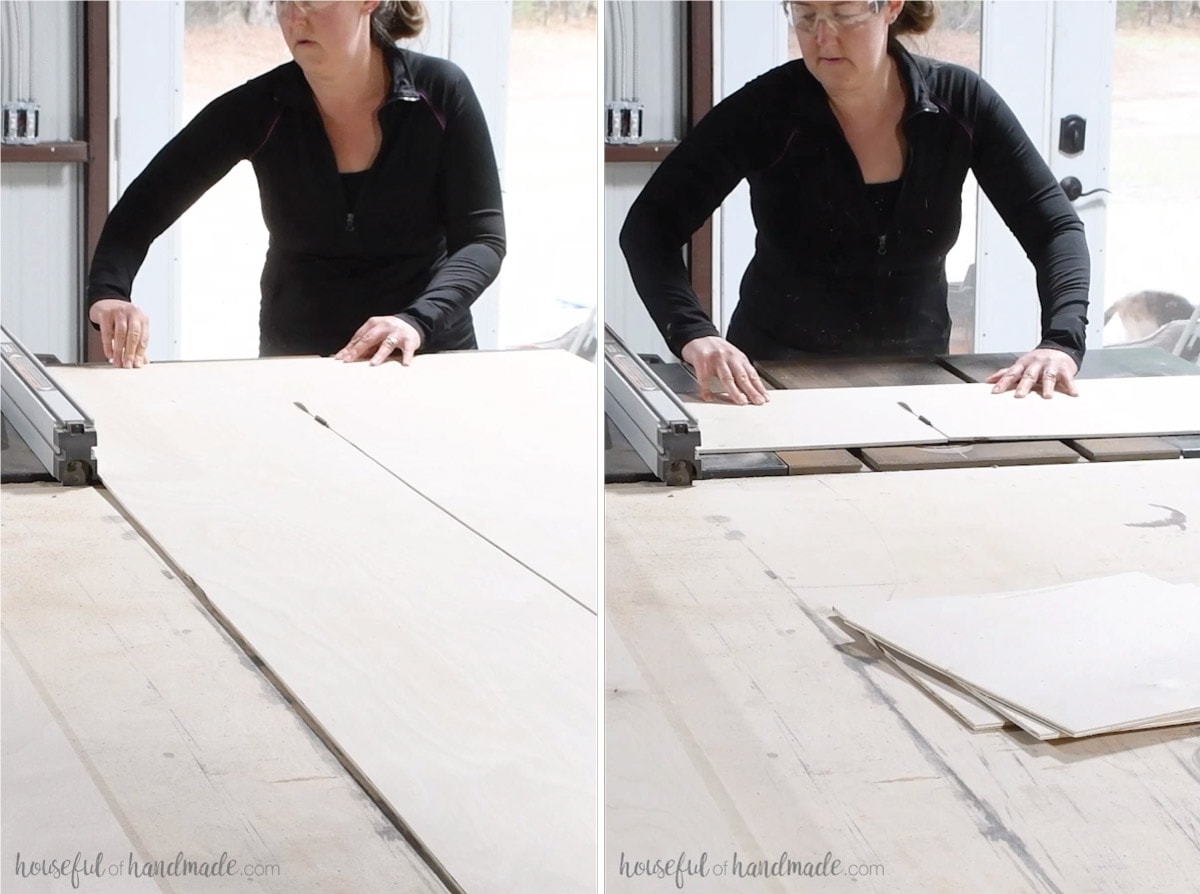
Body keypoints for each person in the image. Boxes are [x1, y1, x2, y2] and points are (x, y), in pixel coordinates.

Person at [620, 0, 1089, 405]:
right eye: (805, 17)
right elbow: (650, 226)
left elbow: (1053, 228)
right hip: (771, 384)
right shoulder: (766, 110)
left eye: (844, 14)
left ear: (891, 7)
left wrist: (1061, 342)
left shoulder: (960, 103)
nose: (823, 37)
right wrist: (693, 333)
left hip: (918, 379)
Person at [87, 0, 504, 369]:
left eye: (311, 0)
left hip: (425, 352)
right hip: (302, 359)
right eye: (281, 0)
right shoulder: (261, 107)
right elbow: (145, 204)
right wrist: (109, 293)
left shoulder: (440, 93)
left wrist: (417, 320)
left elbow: (482, 240)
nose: (293, 16)